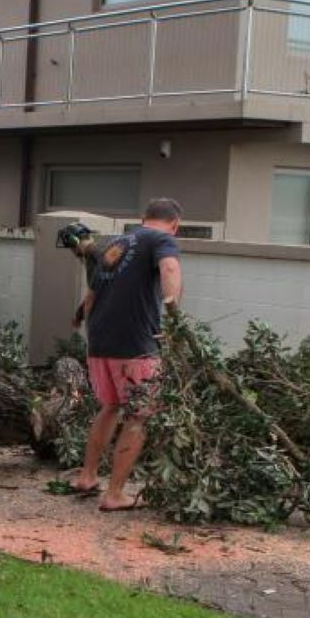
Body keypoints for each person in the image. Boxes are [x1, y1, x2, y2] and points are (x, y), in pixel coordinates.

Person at [68, 198, 185, 510]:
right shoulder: (162, 240)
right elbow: (170, 267)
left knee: (110, 407)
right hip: (135, 346)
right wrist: (174, 309)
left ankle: (87, 477)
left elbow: (92, 294)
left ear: (143, 218)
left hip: (100, 342)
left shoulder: (115, 243)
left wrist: (80, 317)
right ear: (175, 225)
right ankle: (115, 494)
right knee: (139, 416)